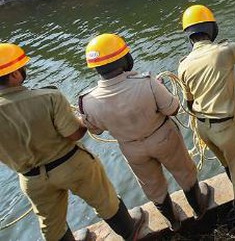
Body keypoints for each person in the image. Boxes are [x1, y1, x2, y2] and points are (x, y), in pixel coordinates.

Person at [0, 43, 146, 241]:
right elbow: (75, 134)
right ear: (15, 74)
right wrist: (81, 119)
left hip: (31, 178)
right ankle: (131, 232)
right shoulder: (49, 97)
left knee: (51, 225)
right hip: (70, 164)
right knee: (105, 200)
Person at [79, 34, 211, 232]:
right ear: (124, 60)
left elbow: (96, 128)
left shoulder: (87, 101)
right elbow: (173, 108)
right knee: (184, 172)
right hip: (163, 137)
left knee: (152, 186)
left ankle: (173, 221)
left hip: (131, 148)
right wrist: (161, 87)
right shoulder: (147, 82)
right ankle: (199, 208)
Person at [178, 4, 235, 241]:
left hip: (203, 129)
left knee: (230, 165)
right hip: (226, 127)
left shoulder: (183, 65)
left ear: (189, 35)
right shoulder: (225, 51)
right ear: (212, 28)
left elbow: (189, 103)